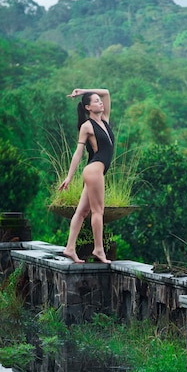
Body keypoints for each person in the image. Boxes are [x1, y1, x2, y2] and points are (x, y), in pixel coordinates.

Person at [59, 87, 115, 264]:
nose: (100, 102)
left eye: (100, 101)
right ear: (88, 108)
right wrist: (69, 176)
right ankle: (98, 249)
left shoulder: (104, 120)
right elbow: (78, 153)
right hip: (94, 170)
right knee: (98, 211)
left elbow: (106, 92)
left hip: (96, 170)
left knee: (82, 211)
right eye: (96, 101)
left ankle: (69, 248)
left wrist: (83, 91)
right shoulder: (87, 126)